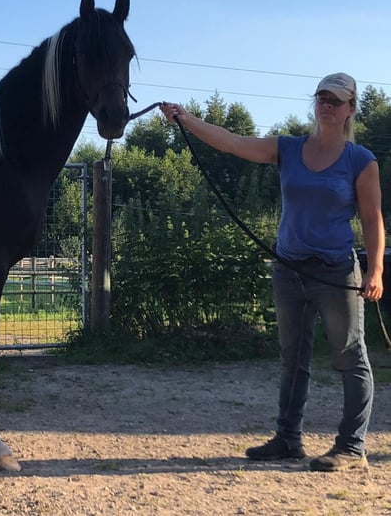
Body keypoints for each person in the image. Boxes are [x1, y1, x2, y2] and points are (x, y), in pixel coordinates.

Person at [160, 72, 385, 472]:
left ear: (350, 108)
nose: (327, 104)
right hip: (288, 270)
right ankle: (288, 439)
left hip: (335, 272)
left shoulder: (361, 161)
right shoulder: (288, 149)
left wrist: (376, 269)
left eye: (336, 99)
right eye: (322, 97)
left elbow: (372, 218)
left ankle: (352, 448)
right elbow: (232, 142)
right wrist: (186, 119)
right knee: (292, 359)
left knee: (351, 358)